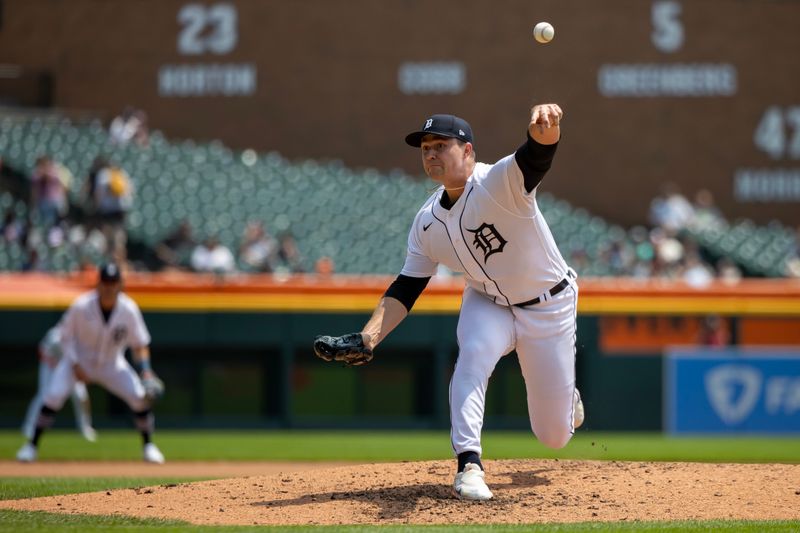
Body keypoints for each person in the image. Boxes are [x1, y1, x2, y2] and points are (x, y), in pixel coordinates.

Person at [314, 105, 584, 501]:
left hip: (548, 305)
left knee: (554, 436)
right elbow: (407, 286)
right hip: (488, 301)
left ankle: (567, 396)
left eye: (441, 145)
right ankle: (469, 465)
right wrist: (369, 336)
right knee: (472, 355)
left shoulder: (498, 180)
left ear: (468, 151)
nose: (431, 154)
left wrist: (547, 130)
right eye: (425, 148)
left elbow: (536, 157)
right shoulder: (426, 221)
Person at [16, 263, 165, 463]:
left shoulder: (129, 309)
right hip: (78, 361)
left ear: (120, 284)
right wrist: (75, 364)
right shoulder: (81, 305)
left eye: (113, 282)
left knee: (139, 397)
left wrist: (145, 371)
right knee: (52, 396)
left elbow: (140, 344)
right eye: (105, 282)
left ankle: (149, 446)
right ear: (99, 284)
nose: (109, 287)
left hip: (112, 364)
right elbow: (64, 336)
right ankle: (31, 446)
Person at [21, 323, 96, 442]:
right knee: (44, 395)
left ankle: (85, 428)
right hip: (50, 367)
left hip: (69, 368)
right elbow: (42, 351)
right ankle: (29, 426)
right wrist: (56, 366)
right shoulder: (54, 335)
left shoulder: (81, 336)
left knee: (80, 396)